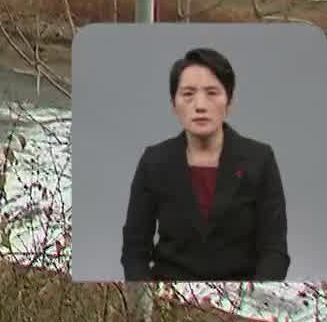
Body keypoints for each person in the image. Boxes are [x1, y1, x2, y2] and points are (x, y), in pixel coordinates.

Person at [121, 47, 290, 281]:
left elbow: (275, 250)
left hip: (240, 297)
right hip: (170, 295)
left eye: (212, 93)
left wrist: (252, 297)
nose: (200, 105)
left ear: (229, 103)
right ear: (173, 104)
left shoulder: (259, 159)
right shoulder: (155, 161)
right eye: (188, 94)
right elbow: (134, 249)